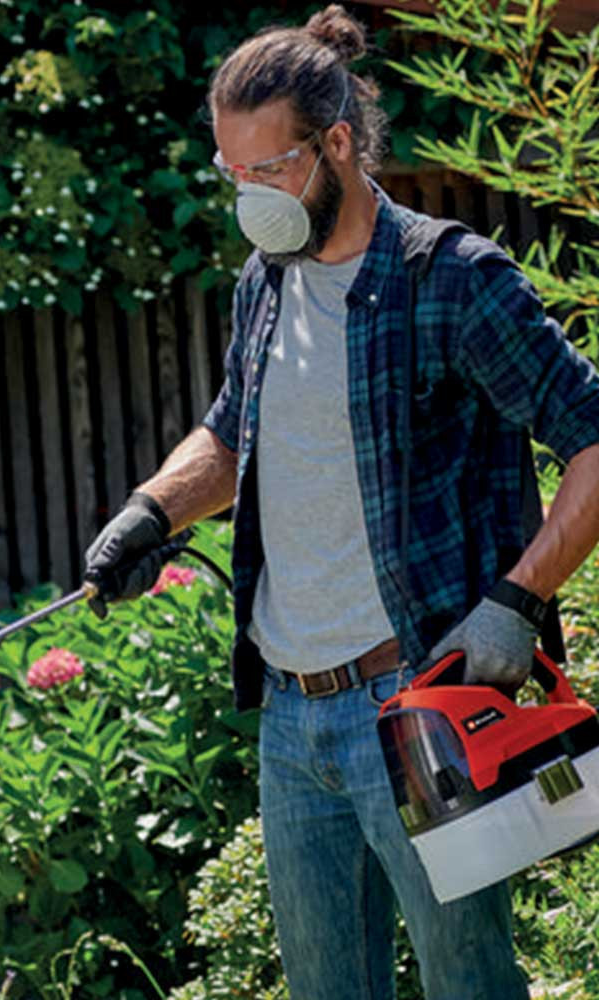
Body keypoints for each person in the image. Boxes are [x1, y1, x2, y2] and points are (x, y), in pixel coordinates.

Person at [83, 6, 599, 999]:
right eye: (233, 173)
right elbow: (233, 433)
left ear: (336, 145)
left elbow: (592, 436)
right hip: (291, 715)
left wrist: (519, 599)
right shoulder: (264, 283)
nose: (251, 197)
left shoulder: (450, 279)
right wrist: (151, 509)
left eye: (269, 170)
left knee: (467, 985)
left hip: (417, 705)